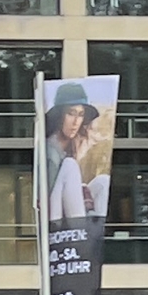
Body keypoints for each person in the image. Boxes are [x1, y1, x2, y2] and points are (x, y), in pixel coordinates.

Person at [44, 91, 109, 223]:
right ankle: (78, 227)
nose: (75, 122)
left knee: (103, 181)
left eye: (80, 115)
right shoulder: (50, 149)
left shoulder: (71, 146)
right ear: (60, 116)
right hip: (54, 216)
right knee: (70, 165)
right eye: (71, 114)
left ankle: (95, 227)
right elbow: (49, 193)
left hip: (68, 207)